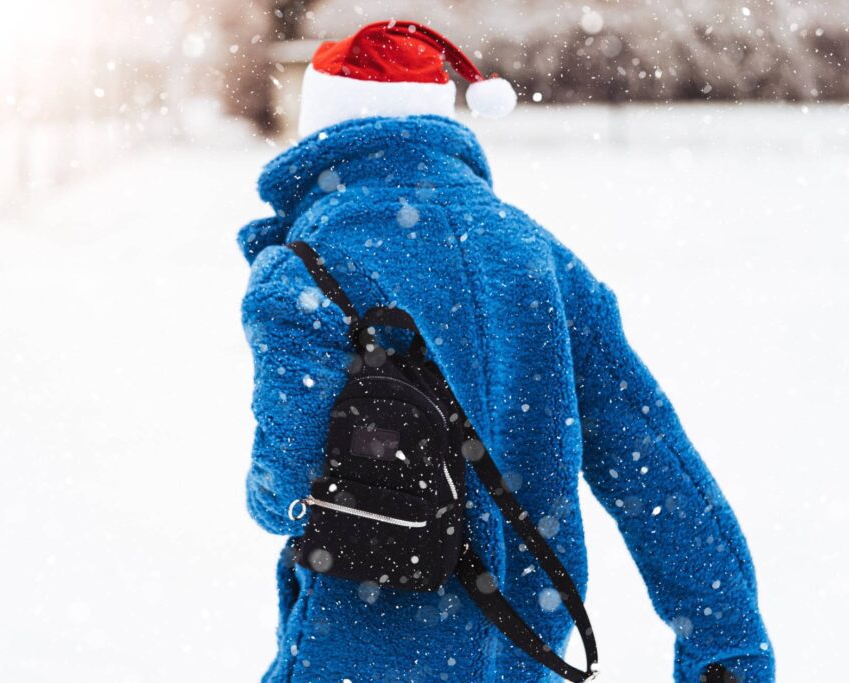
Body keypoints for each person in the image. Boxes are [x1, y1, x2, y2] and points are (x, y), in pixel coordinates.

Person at [237, 20, 773, 683]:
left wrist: (274, 495)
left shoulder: (303, 268)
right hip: (519, 651)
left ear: (323, 128)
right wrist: (727, 644)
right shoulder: (536, 256)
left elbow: (283, 485)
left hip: (353, 654)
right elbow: (652, 465)